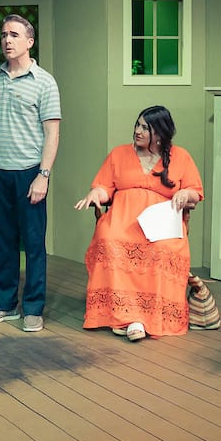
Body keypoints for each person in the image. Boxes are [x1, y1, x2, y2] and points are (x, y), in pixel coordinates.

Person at [73, 106, 203, 340]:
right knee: (109, 240)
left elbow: (195, 191)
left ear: (161, 133)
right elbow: (104, 187)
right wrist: (95, 194)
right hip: (123, 220)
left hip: (161, 226)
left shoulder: (180, 156)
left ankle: (146, 317)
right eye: (137, 125)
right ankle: (124, 315)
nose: (138, 131)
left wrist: (185, 195)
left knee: (163, 250)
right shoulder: (119, 154)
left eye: (146, 127)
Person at [0, 14, 61, 333]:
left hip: (29, 174)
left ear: (29, 42)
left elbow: (52, 133)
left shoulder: (44, 82)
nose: (7, 40)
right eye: (3, 35)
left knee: (34, 242)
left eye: (13, 35)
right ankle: (4, 304)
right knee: (3, 240)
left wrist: (44, 175)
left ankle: (33, 308)